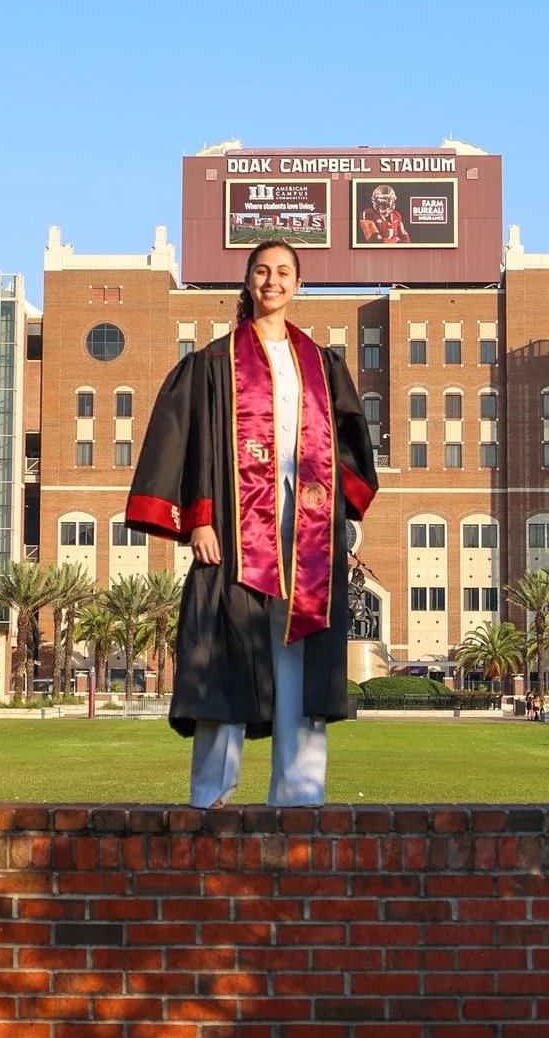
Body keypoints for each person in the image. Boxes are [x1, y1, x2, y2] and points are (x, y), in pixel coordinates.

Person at [125, 236, 377, 807]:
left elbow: (352, 443)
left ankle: (299, 793)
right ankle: (211, 792)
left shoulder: (320, 363)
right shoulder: (215, 363)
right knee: (225, 654)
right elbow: (188, 446)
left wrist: (335, 507)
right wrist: (200, 520)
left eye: (284, 271)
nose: (272, 281)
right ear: (247, 282)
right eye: (262, 271)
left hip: (306, 532)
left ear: (298, 284)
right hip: (237, 531)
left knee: (303, 657)